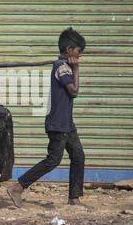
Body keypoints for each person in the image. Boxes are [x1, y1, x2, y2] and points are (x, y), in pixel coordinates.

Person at [7, 27, 86, 208]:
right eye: (78, 51)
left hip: (67, 123)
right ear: (69, 50)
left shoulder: (63, 66)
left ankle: (74, 198)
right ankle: (17, 187)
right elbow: (74, 91)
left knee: (78, 156)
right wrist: (77, 68)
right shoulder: (62, 67)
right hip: (58, 124)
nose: (80, 56)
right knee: (53, 160)